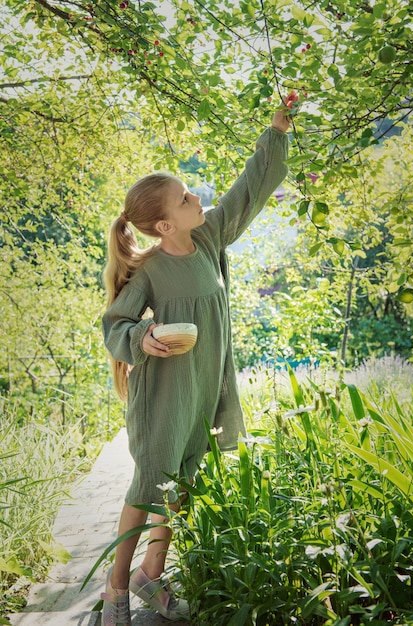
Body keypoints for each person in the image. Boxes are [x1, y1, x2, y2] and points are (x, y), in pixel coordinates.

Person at [100, 98, 292, 625]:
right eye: (186, 197)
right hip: (164, 394)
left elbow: (247, 192)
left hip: (205, 386)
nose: (197, 197)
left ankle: (150, 576)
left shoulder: (206, 237)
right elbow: (114, 325)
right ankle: (116, 588)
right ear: (163, 226)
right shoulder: (149, 271)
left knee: (180, 484)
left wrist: (275, 133)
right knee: (148, 487)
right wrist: (142, 336)